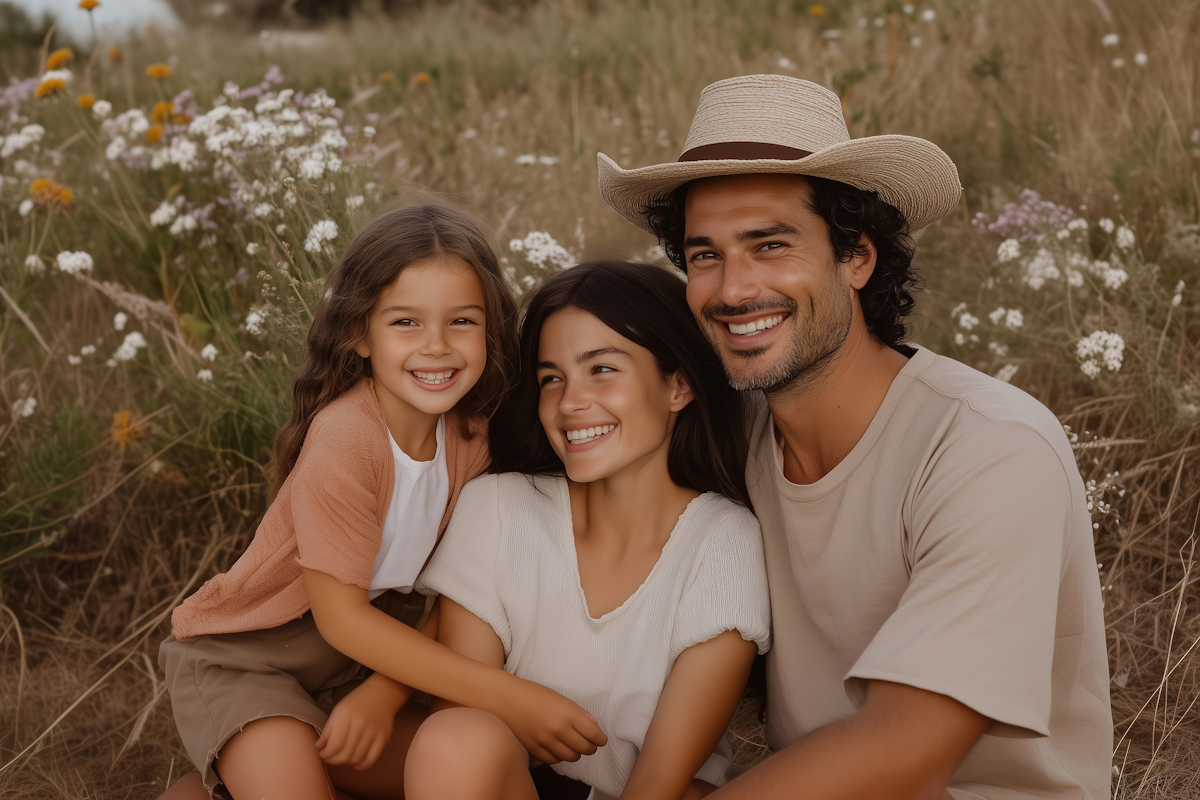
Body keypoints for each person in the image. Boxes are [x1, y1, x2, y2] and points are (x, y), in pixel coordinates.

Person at [595, 75, 1113, 799]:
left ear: (857, 258)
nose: (733, 289)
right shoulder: (730, 436)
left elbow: (907, 750)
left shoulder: (988, 448)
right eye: (704, 254)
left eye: (770, 245)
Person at [157, 204, 606, 800]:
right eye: (406, 323)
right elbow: (342, 617)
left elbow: (459, 592)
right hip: (250, 663)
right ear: (357, 334)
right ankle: (243, 764)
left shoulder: (474, 442)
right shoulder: (347, 439)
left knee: (465, 765)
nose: (437, 347)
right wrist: (509, 695)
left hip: (363, 669)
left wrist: (382, 693)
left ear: (492, 329)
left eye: (463, 322)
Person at [404, 261, 772, 800]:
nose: (570, 402)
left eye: (601, 369)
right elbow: (463, 718)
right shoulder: (498, 508)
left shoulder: (722, 542)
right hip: (506, 787)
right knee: (453, 738)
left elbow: (659, 784)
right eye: (552, 377)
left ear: (680, 385)